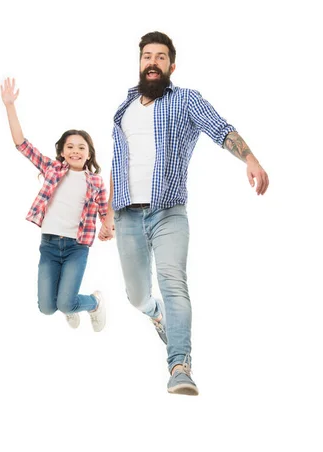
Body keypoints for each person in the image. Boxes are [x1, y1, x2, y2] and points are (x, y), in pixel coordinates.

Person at [98, 32, 269, 395]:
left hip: (169, 212)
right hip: (127, 214)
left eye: (161, 57)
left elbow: (220, 128)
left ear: (171, 66)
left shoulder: (186, 101)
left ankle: (179, 365)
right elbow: (119, 163)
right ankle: (154, 314)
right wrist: (109, 213)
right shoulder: (124, 109)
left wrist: (250, 158)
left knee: (174, 284)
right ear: (140, 63)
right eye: (147, 56)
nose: (153, 62)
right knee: (136, 295)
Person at [1, 77, 108, 332]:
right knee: (48, 308)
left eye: (81, 147)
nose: (75, 151)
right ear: (61, 152)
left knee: (66, 303)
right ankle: (67, 305)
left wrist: (109, 227)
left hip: (76, 248)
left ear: (89, 153)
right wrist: (9, 106)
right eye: (69, 147)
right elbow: (21, 144)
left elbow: (107, 214)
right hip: (49, 245)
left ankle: (92, 303)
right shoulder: (51, 168)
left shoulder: (95, 182)